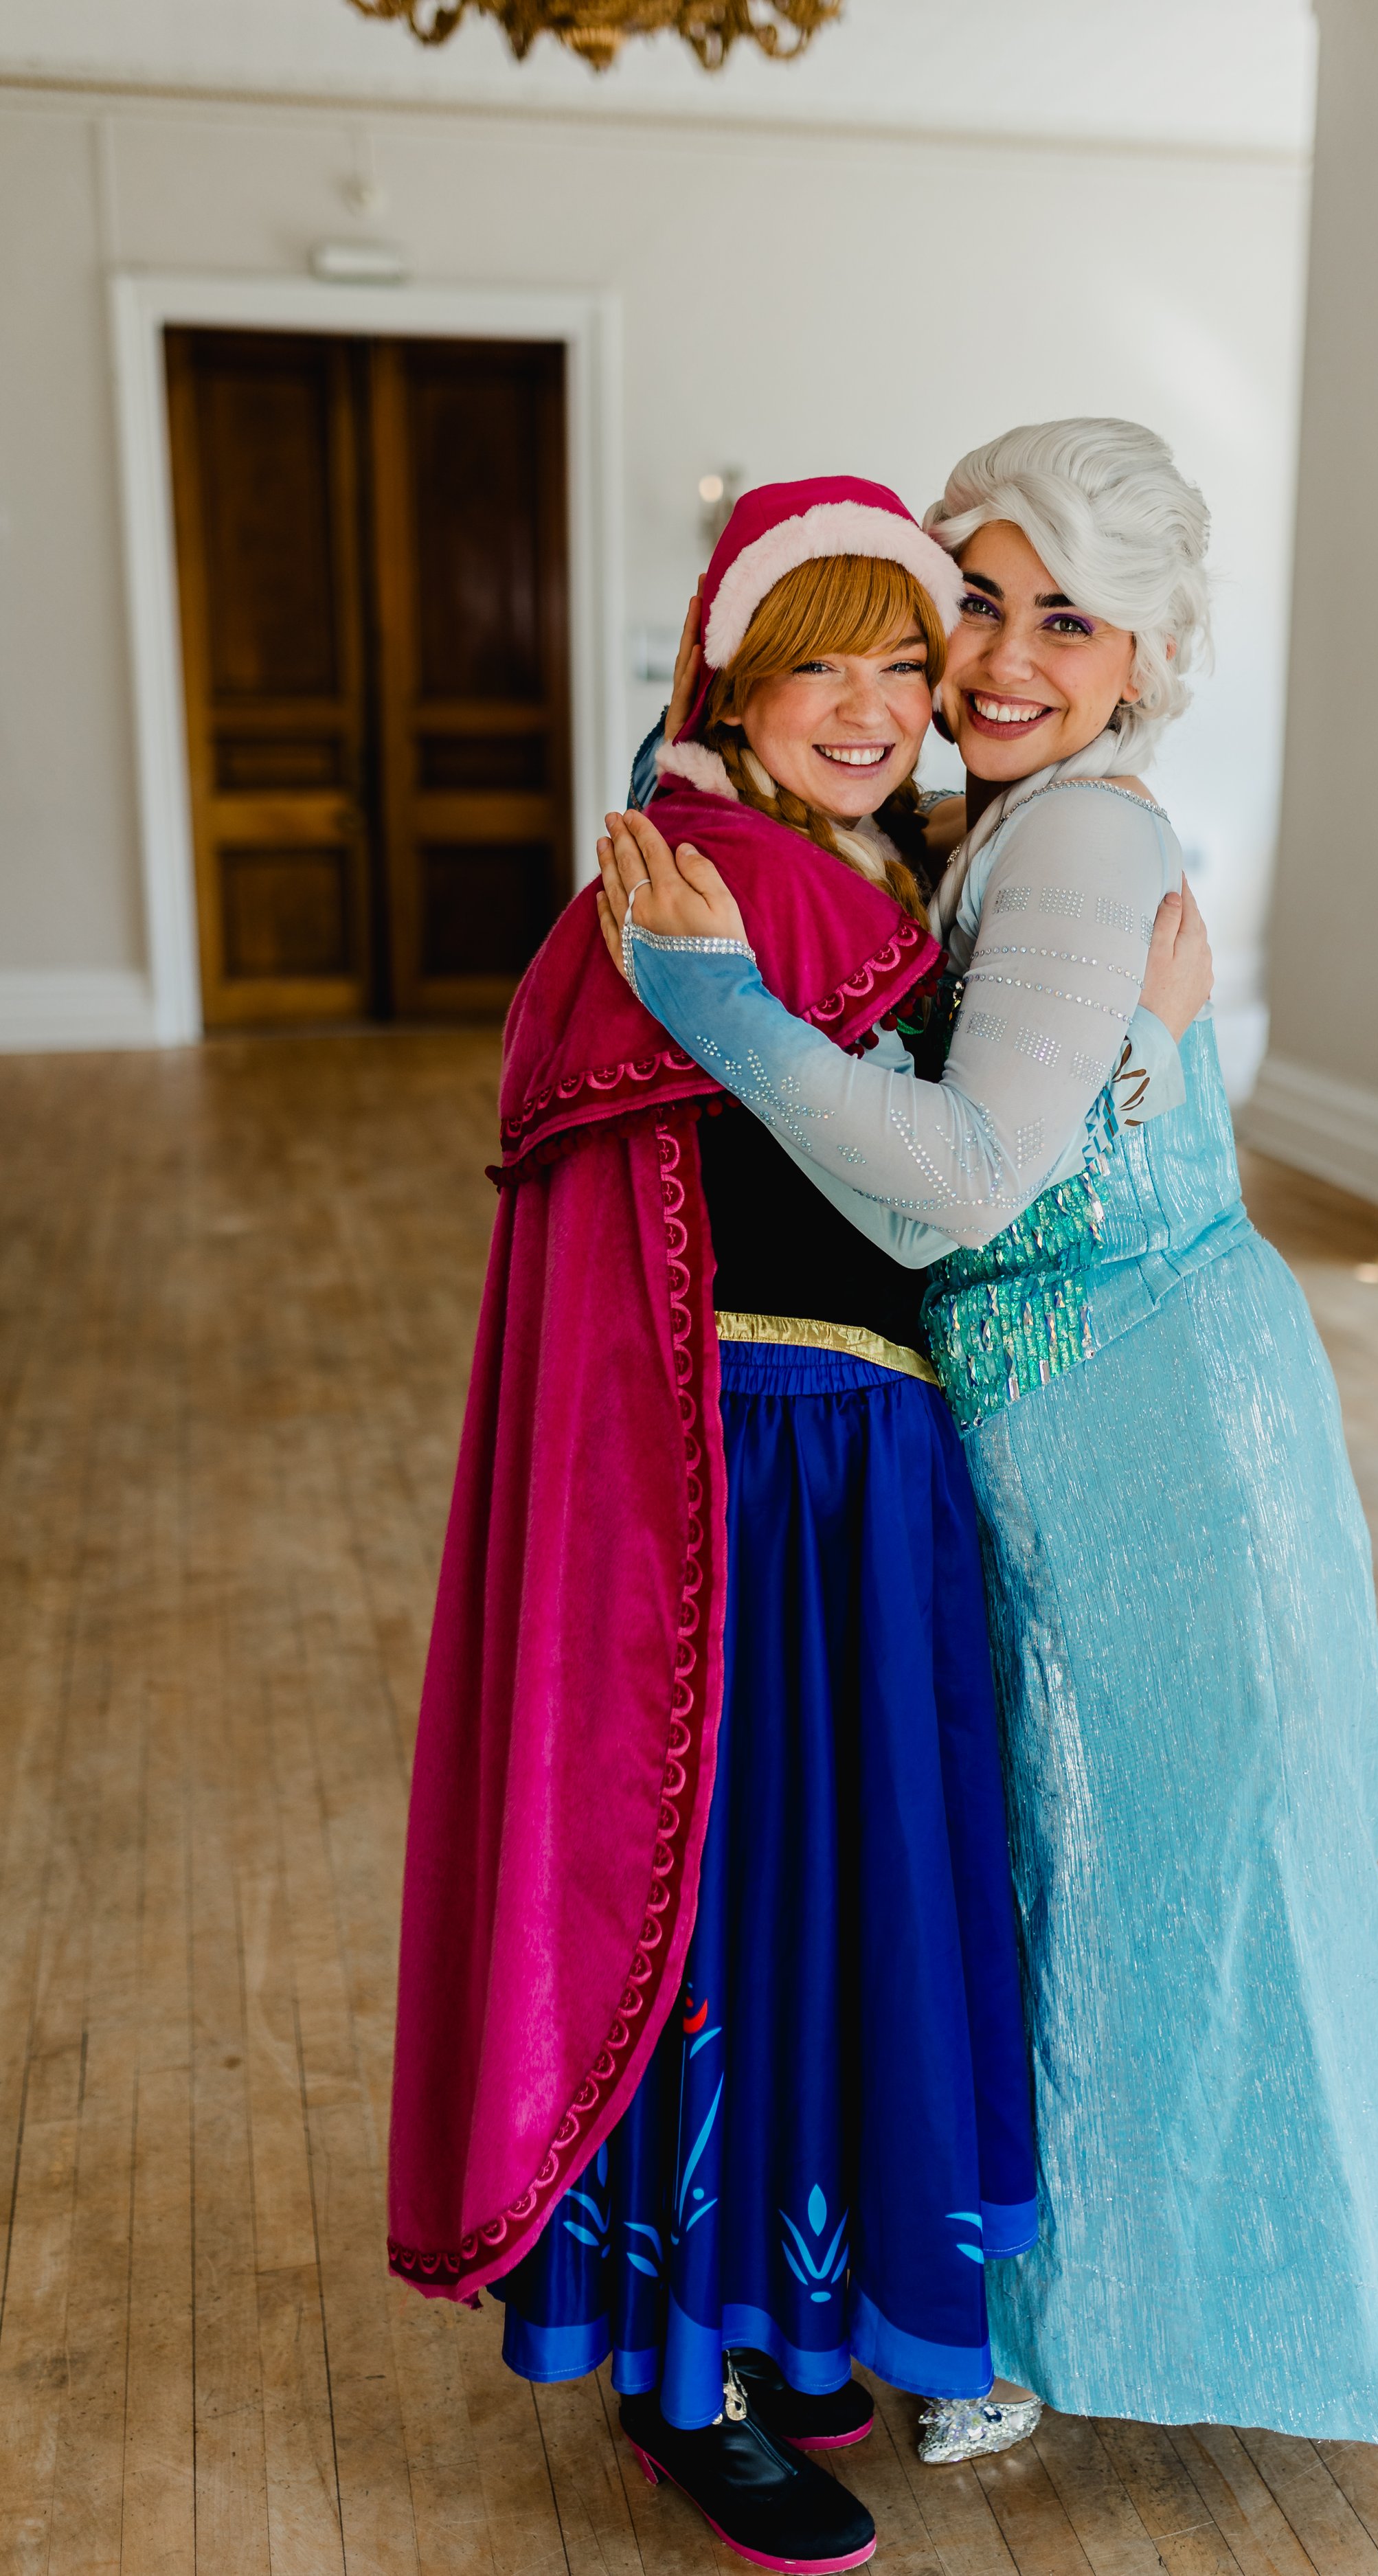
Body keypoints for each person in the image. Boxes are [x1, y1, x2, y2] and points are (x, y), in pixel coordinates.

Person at [596, 417, 1378, 2454]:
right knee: (1060, 1874)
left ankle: (1207, 2314)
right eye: (973, 605)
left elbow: (960, 1187)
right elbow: (767, 798)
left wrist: (715, 1006)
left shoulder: (1076, 839)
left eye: (1065, 621)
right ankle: (1010, 2307)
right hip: (1039, 1423)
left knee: (1193, 1881)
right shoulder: (965, 824)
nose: (999, 661)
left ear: (1143, 654)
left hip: (1152, 1431)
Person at [394, 477, 1076, 2573]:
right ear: (731, 685)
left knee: (816, 1902)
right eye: (820, 667)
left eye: (901, 665)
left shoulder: (840, 865)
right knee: (727, 1908)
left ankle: (772, 2320)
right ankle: (683, 2383)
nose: (870, 706)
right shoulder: (728, 881)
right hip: (750, 1481)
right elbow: (918, 1183)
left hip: (850, 1466)